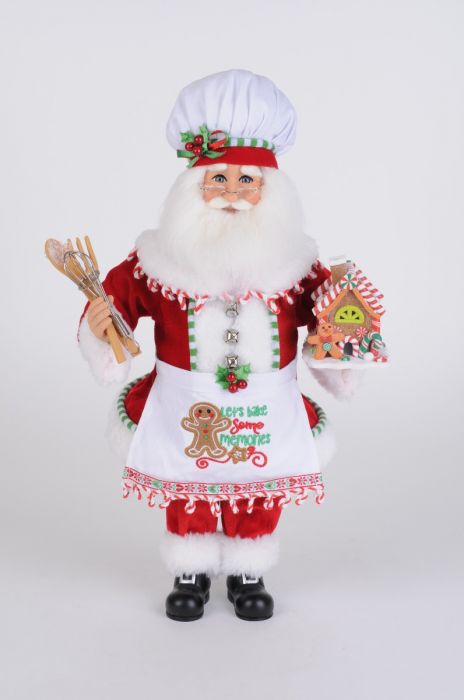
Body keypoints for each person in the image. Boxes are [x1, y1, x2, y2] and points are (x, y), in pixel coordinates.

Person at [78, 69, 358, 622]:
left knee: (260, 484)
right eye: (218, 179)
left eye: (247, 180)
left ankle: (249, 570)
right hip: (183, 405)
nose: (232, 194)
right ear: (192, 188)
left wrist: (344, 343)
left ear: (271, 190)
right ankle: (191, 569)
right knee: (187, 482)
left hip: (267, 409)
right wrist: (102, 325)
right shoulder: (157, 259)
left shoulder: (296, 264)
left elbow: (328, 319)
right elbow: (116, 301)